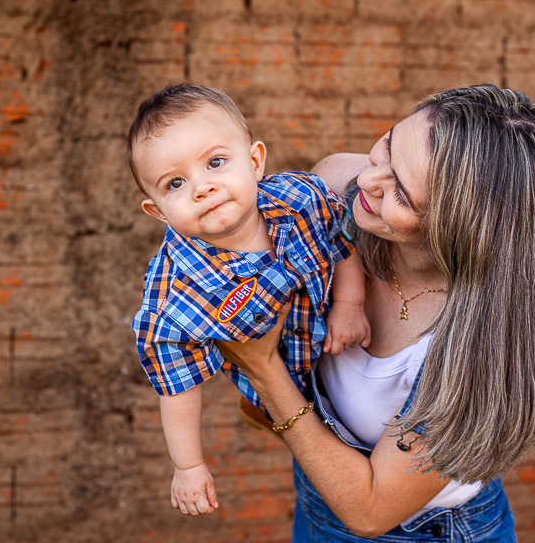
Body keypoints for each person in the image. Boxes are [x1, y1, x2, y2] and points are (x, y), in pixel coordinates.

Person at [217, 84, 535, 541]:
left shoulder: (483, 347)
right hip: (317, 499)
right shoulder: (336, 186)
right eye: (388, 146)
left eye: (403, 195)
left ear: (460, 230)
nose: (368, 181)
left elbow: (369, 511)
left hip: (422, 529)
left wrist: (263, 369)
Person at [129, 83, 372, 517]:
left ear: (255, 161)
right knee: (327, 452)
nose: (202, 187)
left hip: (335, 343)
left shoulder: (300, 199)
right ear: (159, 211)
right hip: (282, 383)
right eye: (176, 183)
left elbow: (340, 240)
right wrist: (188, 466)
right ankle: (261, 406)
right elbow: (178, 387)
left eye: (215, 162)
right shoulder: (174, 297)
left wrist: (349, 304)